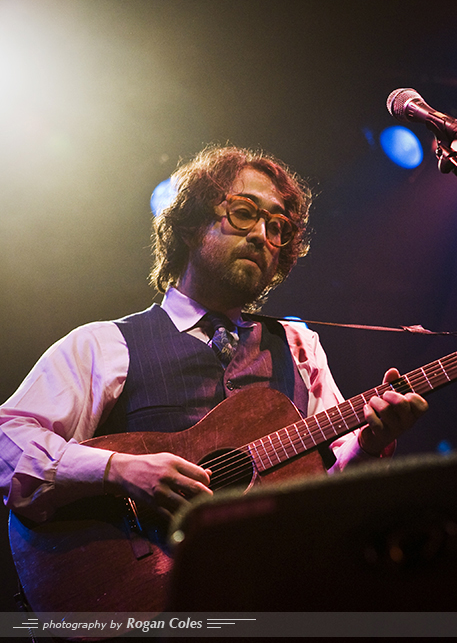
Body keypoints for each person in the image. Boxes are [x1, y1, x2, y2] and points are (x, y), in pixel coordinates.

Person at [0, 145, 428, 525]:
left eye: (277, 227)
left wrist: (369, 446)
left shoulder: (300, 348)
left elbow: (327, 501)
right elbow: (8, 443)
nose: (263, 236)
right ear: (191, 225)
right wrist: (119, 470)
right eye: (244, 213)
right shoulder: (103, 344)